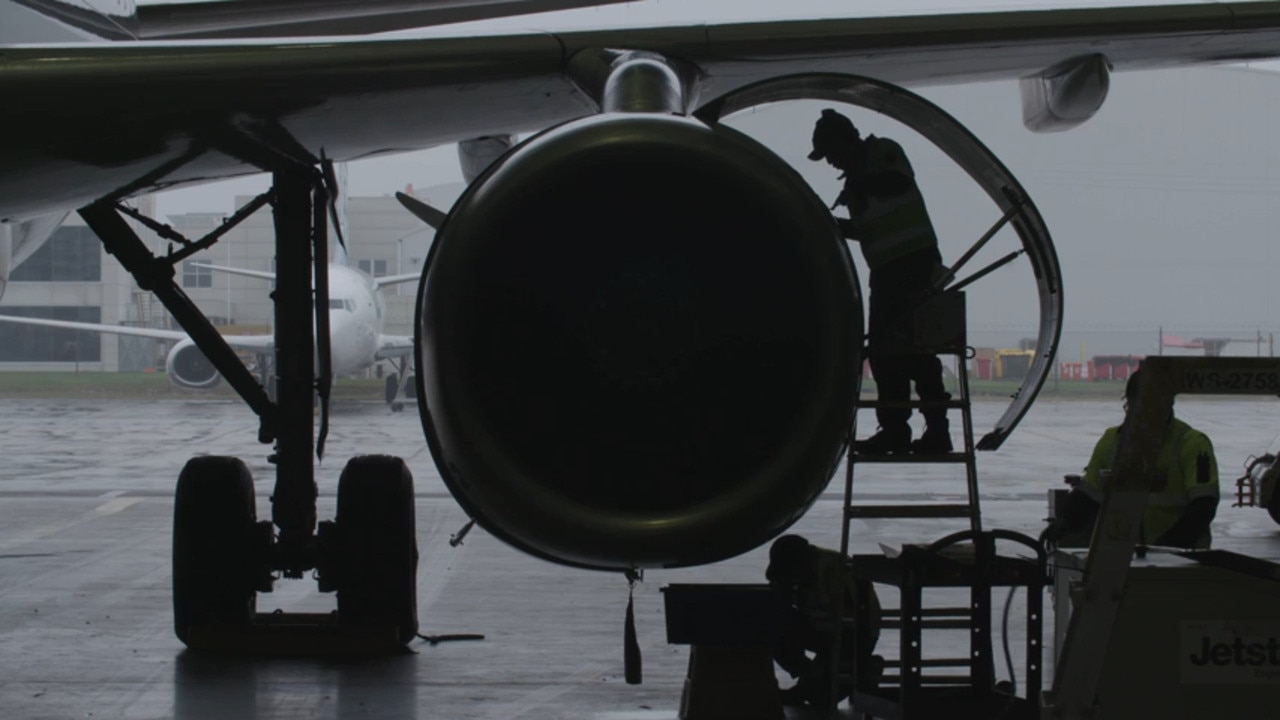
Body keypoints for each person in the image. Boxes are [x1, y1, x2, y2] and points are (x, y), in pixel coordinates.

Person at [807, 108, 951, 455]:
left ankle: (936, 431)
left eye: (831, 154)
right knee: (887, 356)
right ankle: (895, 431)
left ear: (846, 141)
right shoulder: (857, 178)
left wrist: (859, 181)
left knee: (918, 351)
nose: (831, 163)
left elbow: (896, 183)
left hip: (915, 266)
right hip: (887, 273)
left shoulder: (882, 152)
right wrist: (836, 226)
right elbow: (870, 227)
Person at [1042, 369, 1220, 549]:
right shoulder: (1112, 441)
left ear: (1169, 403)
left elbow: (1203, 506)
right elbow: (1089, 494)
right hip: (1127, 558)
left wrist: (1170, 547)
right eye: (1140, 405)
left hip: (1183, 559)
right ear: (1129, 402)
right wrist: (1065, 521)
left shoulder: (1192, 444)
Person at [766, 534, 881, 707]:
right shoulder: (801, 573)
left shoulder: (834, 570)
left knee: (822, 699)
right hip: (823, 628)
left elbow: (852, 621)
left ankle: (866, 669)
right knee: (772, 627)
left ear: (801, 565)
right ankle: (810, 676)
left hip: (854, 634)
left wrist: (825, 662)